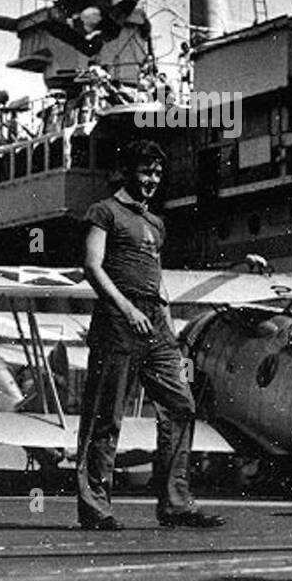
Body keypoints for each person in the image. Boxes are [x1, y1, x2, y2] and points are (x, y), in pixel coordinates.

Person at [77, 140, 224, 531]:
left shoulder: (156, 223)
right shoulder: (104, 212)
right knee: (105, 417)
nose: (152, 180)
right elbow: (92, 266)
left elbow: (156, 279)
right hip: (117, 321)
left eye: (157, 174)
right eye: (145, 172)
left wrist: (167, 324)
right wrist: (127, 309)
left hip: (156, 322)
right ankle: (95, 509)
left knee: (181, 405)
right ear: (127, 172)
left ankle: (175, 504)